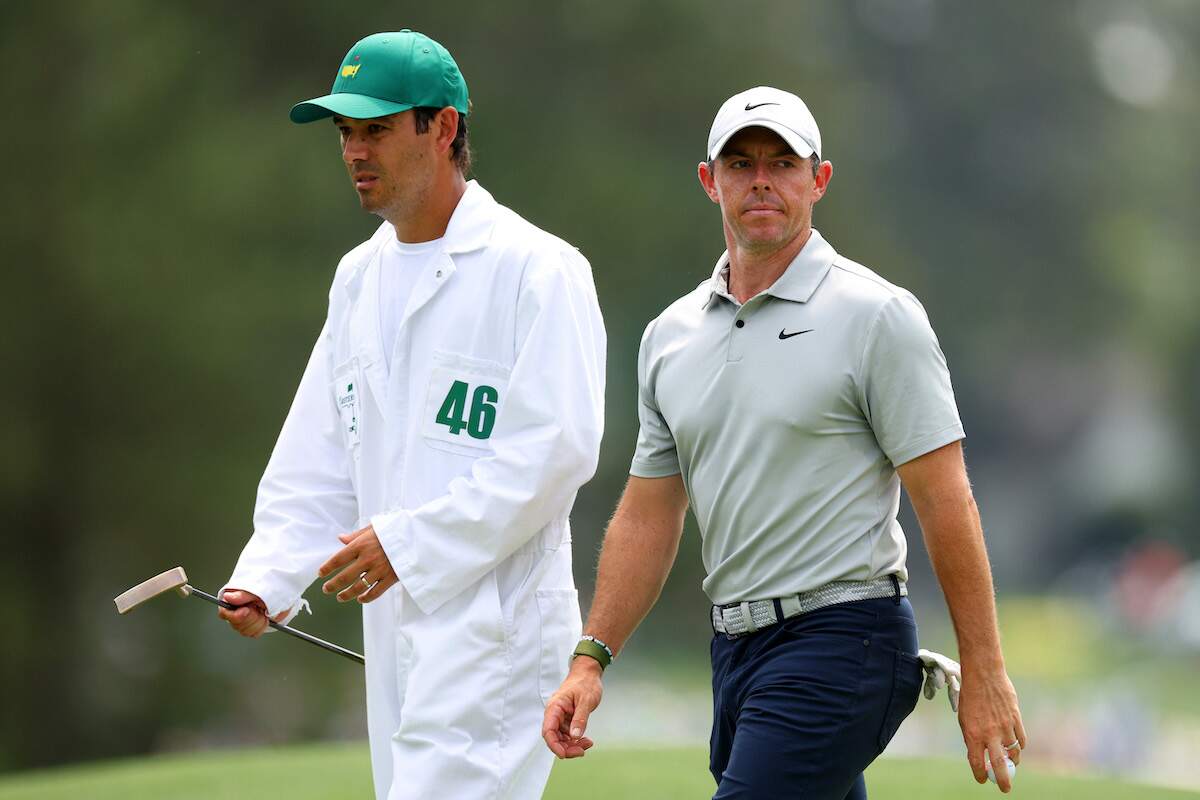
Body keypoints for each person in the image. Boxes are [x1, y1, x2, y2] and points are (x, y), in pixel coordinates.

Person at [542, 87, 1025, 798]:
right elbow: (649, 514)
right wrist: (591, 658)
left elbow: (946, 499)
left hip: (846, 637)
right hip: (736, 651)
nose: (761, 180)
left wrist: (984, 670)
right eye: (740, 164)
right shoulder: (670, 337)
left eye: (782, 162)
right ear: (710, 182)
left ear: (818, 179)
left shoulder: (877, 315)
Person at [218, 30, 606, 800]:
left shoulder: (537, 269)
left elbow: (556, 452)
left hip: (497, 642)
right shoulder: (358, 278)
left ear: (445, 127)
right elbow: (322, 454)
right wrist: (268, 575)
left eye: (378, 129)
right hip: (395, 641)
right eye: (346, 133)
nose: (356, 151)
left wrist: (409, 543)